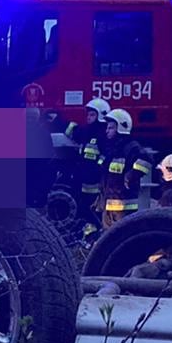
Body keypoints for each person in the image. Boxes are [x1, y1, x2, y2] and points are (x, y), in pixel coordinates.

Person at [64, 98, 111, 238]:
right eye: (88, 115)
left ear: (100, 116)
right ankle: (87, 232)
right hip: (84, 176)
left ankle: (97, 232)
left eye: (92, 115)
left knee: (90, 208)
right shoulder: (88, 132)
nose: (88, 117)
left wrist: (97, 168)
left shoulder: (103, 134)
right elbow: (74, 132)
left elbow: (106, 155)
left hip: (94, 180)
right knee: (82, 206)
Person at [98, 107, 153, 230]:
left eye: (111, 127)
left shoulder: (131, 147)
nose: (107, 131)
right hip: (110, 206)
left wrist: (131, 175)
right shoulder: (111, 149)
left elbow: (146, 160)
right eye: (107, 128)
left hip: (124, 208)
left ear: (121, 127)